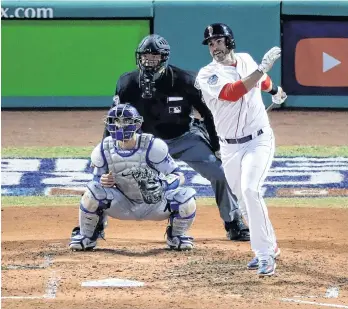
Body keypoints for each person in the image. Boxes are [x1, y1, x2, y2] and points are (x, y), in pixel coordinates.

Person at [103, 34, 250, 242]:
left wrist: (217, 147)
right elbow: (114, 119)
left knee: (220, 173)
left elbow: (209, 114)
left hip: (184, 138)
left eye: (154, 57)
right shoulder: (127, 83)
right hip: (146, 143)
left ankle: (234, 222)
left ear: (164, 58)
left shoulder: (186, 80)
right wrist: (107, 151)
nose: (149, 61)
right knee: (111, 173)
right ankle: (97, 224)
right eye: (145, 57)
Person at [195, 23, 287, 276]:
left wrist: (276, 91)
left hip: (258, 140)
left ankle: (265, 253)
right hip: (230, 148)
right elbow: (232, 92)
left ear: (229, 41)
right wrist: (261, 70)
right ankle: (270, 247)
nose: (215, 47)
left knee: (250, 189)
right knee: (244, 201)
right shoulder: (207, 75)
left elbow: (263, 81)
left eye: (218, 41)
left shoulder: (245, 59)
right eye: (211, 44)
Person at [69, 103, 196, 251]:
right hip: (123, 204)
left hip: (154, 203)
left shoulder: (153, 146)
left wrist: (163, 185)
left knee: (186, 197)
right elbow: (96, 180)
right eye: (116, 122)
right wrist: (103, 181)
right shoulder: (103, 149)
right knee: (91, 193)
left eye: (126, 121)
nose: (120, 126)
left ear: (137, 124)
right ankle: (87, 236)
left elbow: (179, 176)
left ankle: (176, 236)